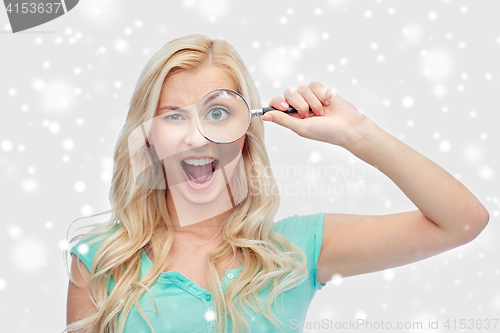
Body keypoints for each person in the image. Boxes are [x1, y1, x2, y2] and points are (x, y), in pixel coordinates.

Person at [65, 34, 489, 333]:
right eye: (174, 115)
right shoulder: (102, 260)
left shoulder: (294, 251)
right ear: (150, 137)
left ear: (245, 133)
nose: (196, 137)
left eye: (217, 113)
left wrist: (357, 132)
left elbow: (463, 222)